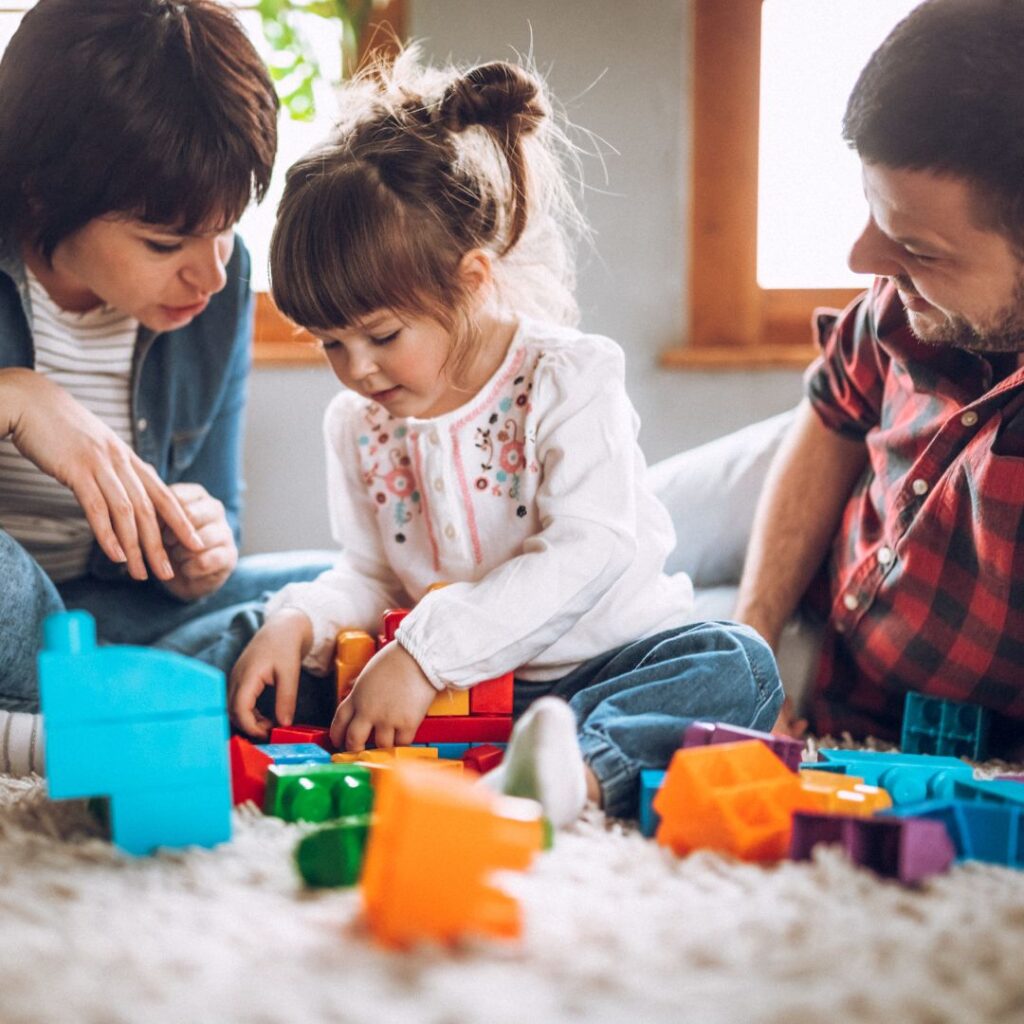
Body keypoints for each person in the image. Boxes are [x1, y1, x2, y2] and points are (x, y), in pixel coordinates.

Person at [223, 52, 784, 826]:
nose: (355, 369)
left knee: (738, 666)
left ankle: (573, 772)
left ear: (472, 280)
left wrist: (425, 655)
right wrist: (303, 621)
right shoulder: (357, 424)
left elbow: (593, 547)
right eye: (329, 344)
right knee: (265, 644)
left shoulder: (568, 377)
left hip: (599, 670)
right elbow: (370, 573)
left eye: (381, 334)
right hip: (452, 693)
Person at [658, 0, 1024, 756]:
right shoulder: (905, 299)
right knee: (611, 541)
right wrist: (751, 640)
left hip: (892, 701)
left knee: (642, 654)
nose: (862, 262)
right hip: (824, 544)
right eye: (871, 212)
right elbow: (831, 419)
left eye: (916, 248)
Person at [0, 0, 330, 776]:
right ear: (42, 196)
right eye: (165, 243)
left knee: (327, 591)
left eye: (226, 230)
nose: (212, 274)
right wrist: (17, 397)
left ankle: (76, 717)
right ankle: (122, 715)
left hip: (103, 614)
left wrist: (202, 554)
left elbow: (217, 519)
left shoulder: (220, 283)